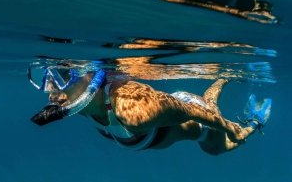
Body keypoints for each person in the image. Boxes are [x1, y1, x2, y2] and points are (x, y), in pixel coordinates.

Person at [29, 67, 271, 155]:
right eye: (45, 79)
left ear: (91, 75)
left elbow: (191, 112)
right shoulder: (73, 102)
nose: (50, 91)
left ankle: (252, 124)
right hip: (170, 106)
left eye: (62, 77)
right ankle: (222, 79)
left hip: (195, 115)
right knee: (207, 103)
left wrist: (231, 129)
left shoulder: (135, 112)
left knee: (218, 147)